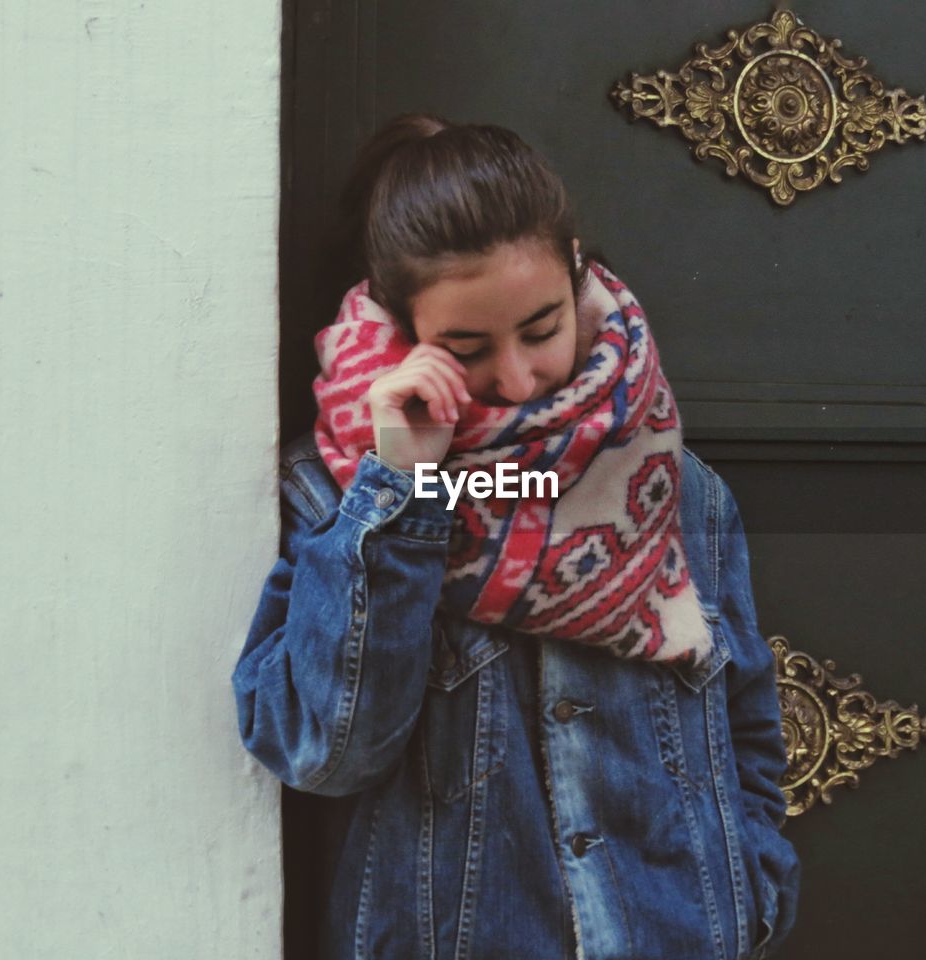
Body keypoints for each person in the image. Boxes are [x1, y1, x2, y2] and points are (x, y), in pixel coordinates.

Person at [231, 114, 800, 960]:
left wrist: (753, 892)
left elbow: (746, 721)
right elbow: (324, 751)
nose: (521, 377)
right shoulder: (336, 493)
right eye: (467, 348)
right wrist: (406, 494)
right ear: (401, 329)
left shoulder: (675, 485)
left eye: (541, 329)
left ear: (576, 272)